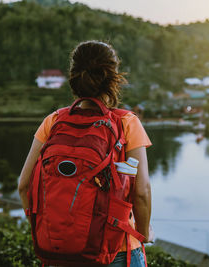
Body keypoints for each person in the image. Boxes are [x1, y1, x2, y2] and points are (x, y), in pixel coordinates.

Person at [17, 40, 153, 266]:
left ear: (74, 76)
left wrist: (51, 229)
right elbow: (141, 191)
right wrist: (144, 232)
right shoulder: (126, 123)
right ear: (113, 78)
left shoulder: (53, 121)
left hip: (60, 252)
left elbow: (24, 184)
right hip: (116, 251)